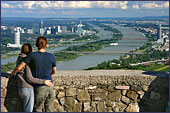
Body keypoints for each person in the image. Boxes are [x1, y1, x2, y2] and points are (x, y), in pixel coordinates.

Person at [8, 36, 56, 112]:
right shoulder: (51, 56)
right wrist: (48, 77)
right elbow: (54, 71)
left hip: (39, 88)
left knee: (37, 110)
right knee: (50, 109)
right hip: (51, 86)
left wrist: (11, 74)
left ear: (37, 45)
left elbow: (19, 67)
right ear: (46, 45)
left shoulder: (32, 55)